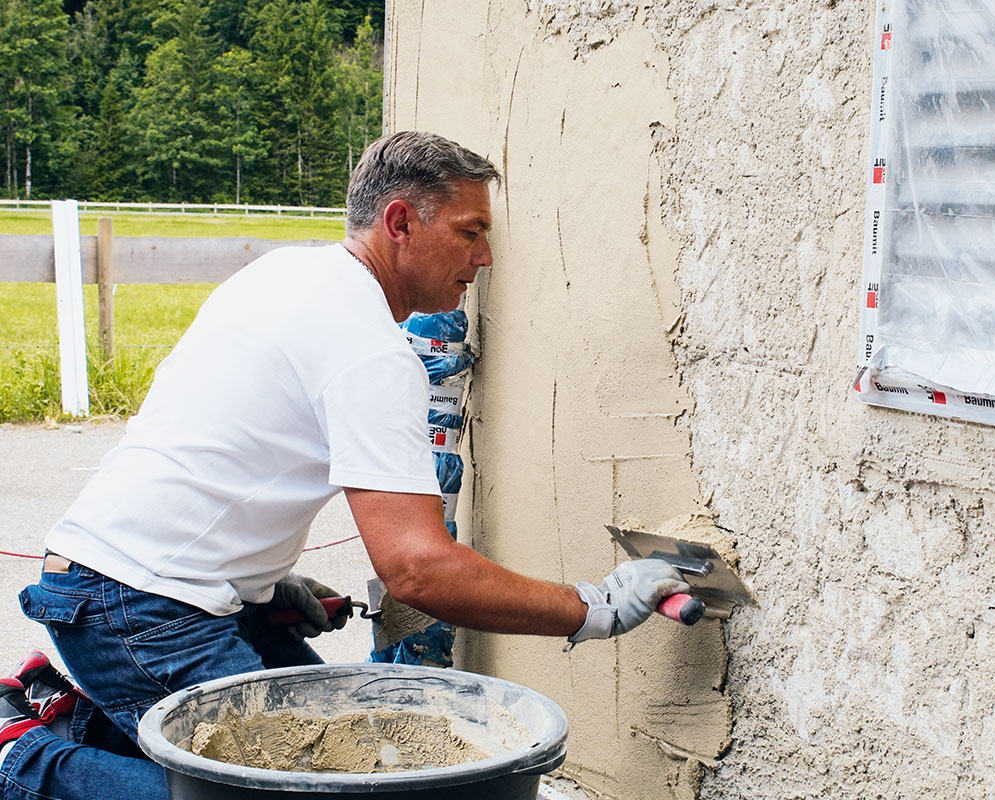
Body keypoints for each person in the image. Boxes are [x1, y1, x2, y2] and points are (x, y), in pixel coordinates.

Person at [0, 131, 686, 799]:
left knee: (335, 756)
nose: (486, 258)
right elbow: (418, 569)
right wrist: (590, 608)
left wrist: (263, 583)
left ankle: (63, 723)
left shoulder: (289, 274)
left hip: (143, 585)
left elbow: (222, 446)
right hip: (142, 607)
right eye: (470, 232)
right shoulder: (371, 352)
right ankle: (22, 762)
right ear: (400, 223)